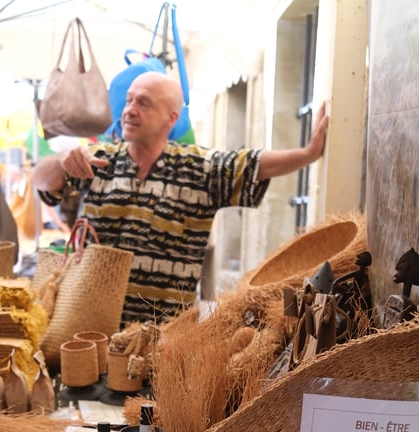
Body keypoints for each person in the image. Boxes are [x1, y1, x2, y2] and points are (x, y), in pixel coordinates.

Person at [32, 71, 329, 324]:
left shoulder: (198, 168)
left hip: (164, 332)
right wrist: (60, 161)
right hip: (89, 321)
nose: (130, 109)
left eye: (143, 103)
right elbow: (41, 181)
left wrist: (308, 154)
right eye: (129, 100)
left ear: (170, 118)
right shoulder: (97, 161)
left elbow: (254, 163)